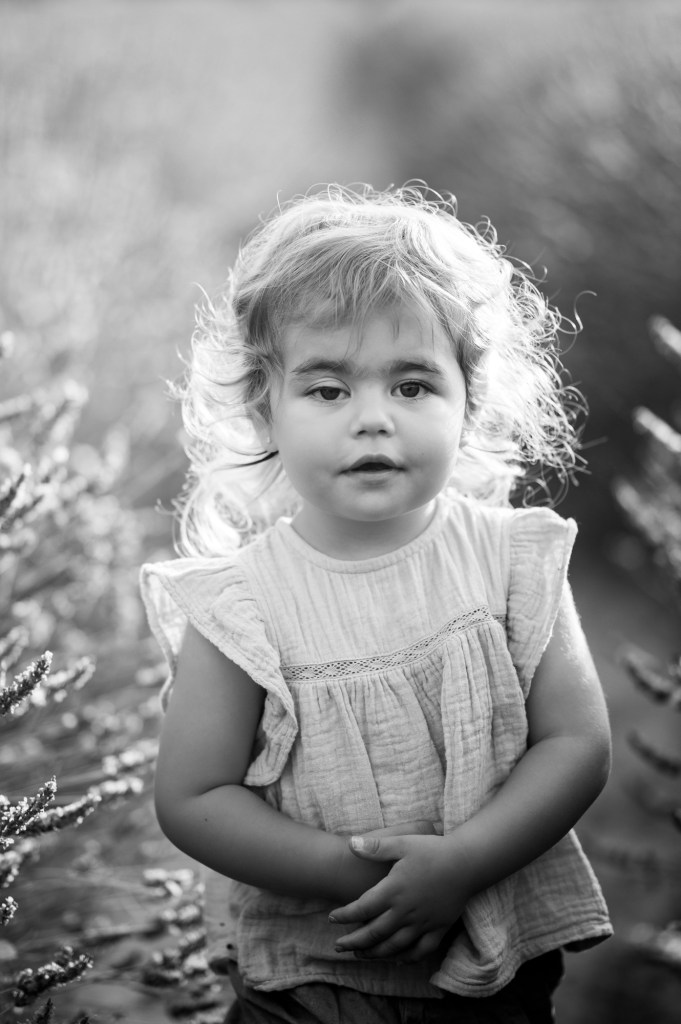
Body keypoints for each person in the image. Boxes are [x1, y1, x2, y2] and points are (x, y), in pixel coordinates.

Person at [140, 184, 612, 1023]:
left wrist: (462, 863)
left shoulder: (511, 559)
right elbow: (194, 798)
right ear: (264, 408)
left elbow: (575, 743)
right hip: (315, 982)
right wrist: (359, 874)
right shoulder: (241, 606)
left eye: (412, 386)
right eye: (328, 390)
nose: (372, 420)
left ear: (469, 399)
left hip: (491, 972)